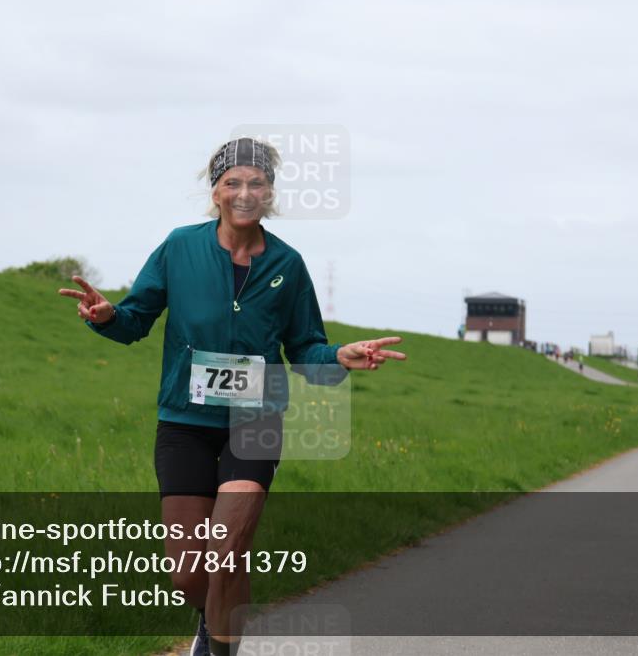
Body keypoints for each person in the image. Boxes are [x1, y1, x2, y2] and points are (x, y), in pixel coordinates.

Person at [59, 137, 406, 656]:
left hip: (255, 420)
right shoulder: (180, 247)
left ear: (270, 193)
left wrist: (338, 356)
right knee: (189, 574)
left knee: (227, 548)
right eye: (233, 183)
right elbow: (135, 320)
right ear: (216, 192)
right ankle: (211, 616)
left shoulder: (288, 264)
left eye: (257, 183)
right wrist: (107, 317)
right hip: (184, 421)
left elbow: (305, 346)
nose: (245, 193)